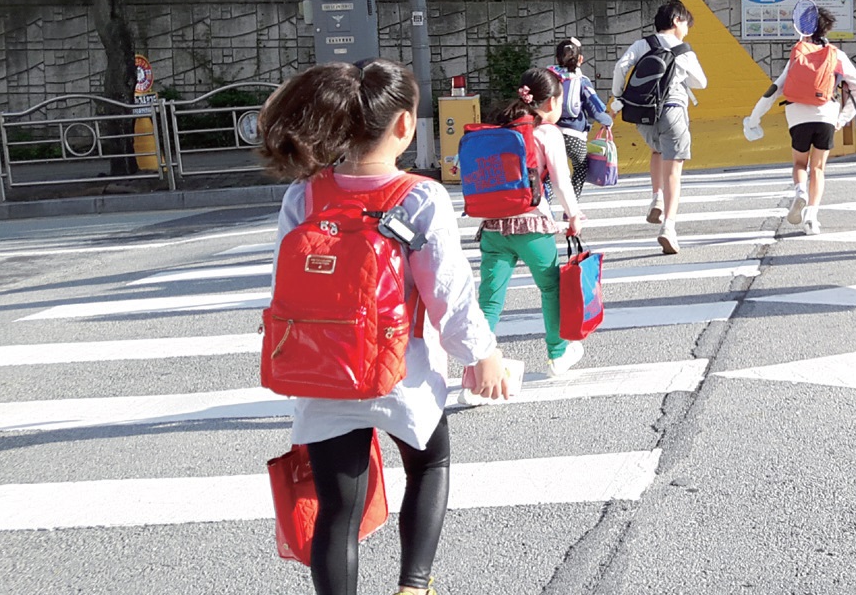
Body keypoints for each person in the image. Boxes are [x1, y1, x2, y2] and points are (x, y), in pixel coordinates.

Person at [258, 58, 507, 595]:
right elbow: (448, 295)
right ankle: (413, 587)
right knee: (431, 464)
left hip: (322, 374)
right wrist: (482, 354)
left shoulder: (304, 196)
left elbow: (285, 284)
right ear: (404, 126)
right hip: (402, 375)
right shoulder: (420, 198)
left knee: (337, 513)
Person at [476, 66, 587, 377]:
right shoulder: (547, 133)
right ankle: (558, 353)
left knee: (490, 299)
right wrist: (573, 215)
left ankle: (476, 369)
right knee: (552, 288)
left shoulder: (499, 127)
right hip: (531, 225)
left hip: (493, 227)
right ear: (551, 102)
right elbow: (562, 181)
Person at [742, 5, 856, 236]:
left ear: (805, 28)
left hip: (797, 114)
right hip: (826, 113)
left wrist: (754, 118)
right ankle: (811, 217)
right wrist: (843, 118)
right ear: (826, 29)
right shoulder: (837, 56)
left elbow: (775, 89)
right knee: (818, 167)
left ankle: (800, 192)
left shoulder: (799, 53)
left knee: (800, 164)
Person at [610, 0, 708, 255]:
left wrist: (618, 95)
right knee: (674, 169)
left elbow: (621, 67)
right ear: (676, 20)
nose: (687, 29)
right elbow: (702, 82)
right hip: (673, 111)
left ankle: (656, 198)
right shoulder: (684, 49)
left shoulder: (643, 44)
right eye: (686, 23)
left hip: (643, 115)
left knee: (656, 151)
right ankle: (669, 227)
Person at [549, 37, 613, 201]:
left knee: (549, 171)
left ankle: (546, 206)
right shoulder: (582, 81)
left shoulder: (549, 78)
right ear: (581, 59)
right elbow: (594, 110)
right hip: (574, 136)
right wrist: (607, 121)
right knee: (580, 166)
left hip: (550, 134)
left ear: (556, 58)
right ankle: (572, 205)